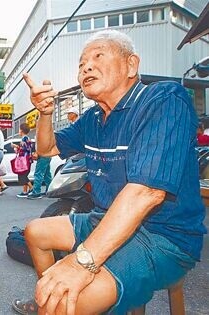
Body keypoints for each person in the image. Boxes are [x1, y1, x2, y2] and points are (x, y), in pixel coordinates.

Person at [12, 29, 207, 315]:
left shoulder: (163, 100)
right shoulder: (92, 118)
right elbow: (47, 148)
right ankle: (51, 295)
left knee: (65, 305)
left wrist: (81, 263)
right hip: (103, 218)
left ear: (131, 65)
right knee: (35, 232)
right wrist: (44, 113)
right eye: (81, 64)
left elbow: (147, 192)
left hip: (164, 234)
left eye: (98, 55)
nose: (86, 66)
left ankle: (56, 303)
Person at [12, 123, 33, 198]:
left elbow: (24, 150)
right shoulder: (27, 138)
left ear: (21, 130)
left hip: (24, 160)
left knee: (22, 175)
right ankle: (25, 191)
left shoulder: (24, 139)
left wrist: (16, 147)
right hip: (28, 159)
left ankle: (31, 188)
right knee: (24, 174)